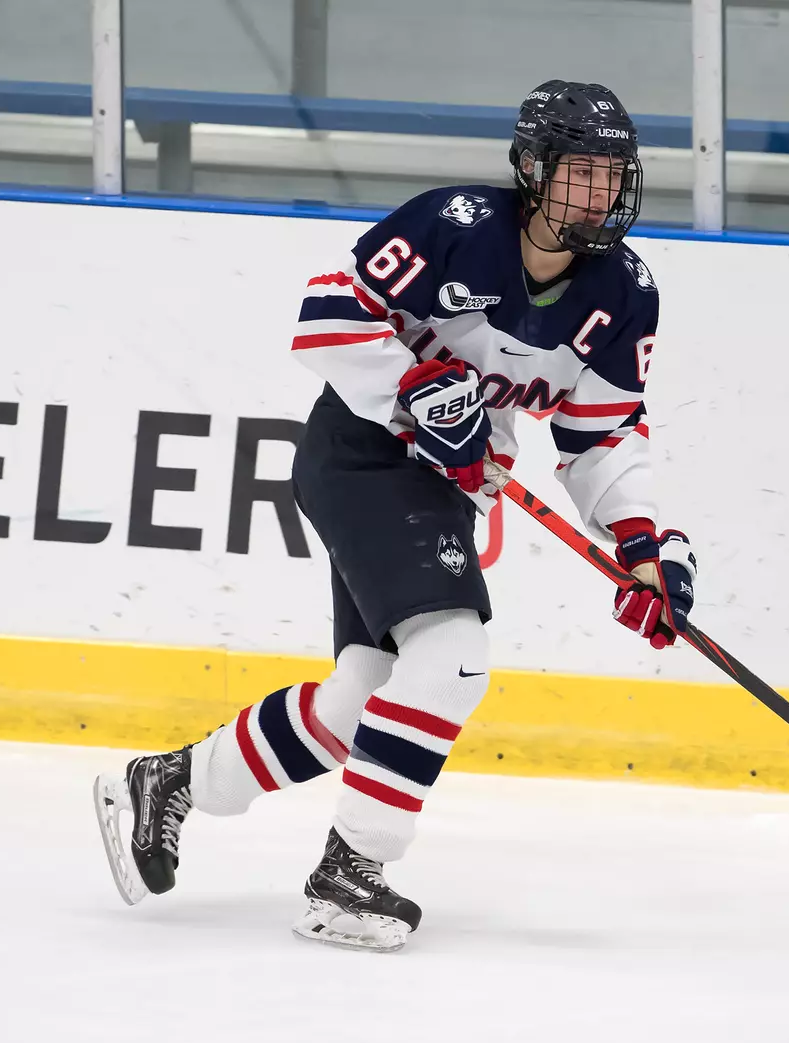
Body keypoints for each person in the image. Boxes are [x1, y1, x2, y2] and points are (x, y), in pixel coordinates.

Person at [92, 79, 697, 952]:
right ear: (533, 169)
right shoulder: (453, 226)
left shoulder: (625, 293)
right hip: (362, 454)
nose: (599, 193)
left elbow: (602, 433)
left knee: (364, 699)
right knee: (451, 657)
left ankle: (173, 780)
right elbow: (325, 315)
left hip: (444, 486)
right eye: (580, 172)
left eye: (613, 174)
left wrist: (641, 545)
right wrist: (414, 389)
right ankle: (350, 873)